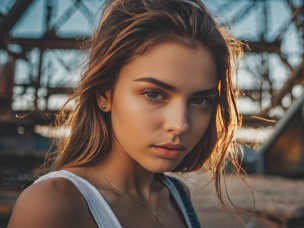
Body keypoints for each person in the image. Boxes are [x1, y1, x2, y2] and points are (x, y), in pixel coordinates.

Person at [8, 0, 243, 227]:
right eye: (153, 94)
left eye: (200, 100)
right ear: (104, 95)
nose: (180, 125)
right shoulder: (53, 204)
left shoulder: (177, 196)